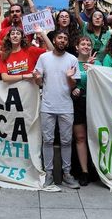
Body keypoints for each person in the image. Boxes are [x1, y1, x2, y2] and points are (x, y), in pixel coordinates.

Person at [33, 31, 81, 189]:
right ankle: (49, 174)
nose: (62, 40)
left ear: (67, 42)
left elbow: (74, 85)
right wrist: (36, 77)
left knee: (67, 141)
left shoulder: (72, 59)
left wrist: (69, 77)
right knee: (47, 140)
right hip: (47, 106)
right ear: (54, 40)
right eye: (60, 38)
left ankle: (67, 174)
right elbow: (39, 81)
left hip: (66, 106)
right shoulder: (44, 57)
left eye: (65, 38)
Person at [71, 36, 96, 186]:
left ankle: (96, 169)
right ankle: (84, 171)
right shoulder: (71, 62)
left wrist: (94, 69)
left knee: (96, 136)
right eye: (83, 44)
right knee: (80, 137)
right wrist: (73, 89)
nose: (86, 46)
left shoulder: (97, 63)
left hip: (96, 103)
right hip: (78, 103)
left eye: (88, 44)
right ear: (77, 47)